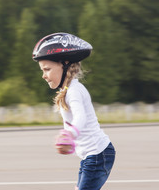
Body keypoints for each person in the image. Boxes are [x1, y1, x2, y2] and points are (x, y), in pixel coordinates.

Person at [32, 32, 116, 190]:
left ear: (64, 64)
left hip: (98, 155)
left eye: (47, 69)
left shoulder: (74, 90)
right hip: (91, 156)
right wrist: (70, 144)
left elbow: (80, 117)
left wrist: (69, 135)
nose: (43, 75)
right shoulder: (68, 89)